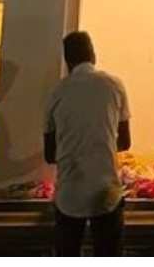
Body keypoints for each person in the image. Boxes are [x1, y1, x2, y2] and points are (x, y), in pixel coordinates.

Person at [43, 30, 131, 256]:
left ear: (67, 61)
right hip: (106, 190)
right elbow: (125, 142)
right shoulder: (114, 85)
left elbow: (50, 155)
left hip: (70, 192)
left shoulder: (56, 93)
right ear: (93, 55)